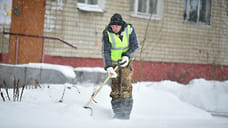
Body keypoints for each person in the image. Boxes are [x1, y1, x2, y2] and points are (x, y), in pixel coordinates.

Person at [102, 13, 139, 119]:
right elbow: (106, 51)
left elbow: (135, 45)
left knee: (125, 86)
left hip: (126, 62)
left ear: (121, 25)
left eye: (117, 26)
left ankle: (125, 114)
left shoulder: (129, 29)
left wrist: (127, 56)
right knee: (115, 89)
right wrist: (108, 66)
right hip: (113, 64)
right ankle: (117, 114)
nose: (114, 28)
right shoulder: (107, 32)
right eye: (113, 26)